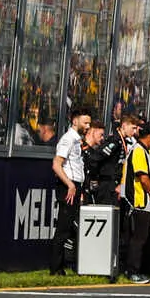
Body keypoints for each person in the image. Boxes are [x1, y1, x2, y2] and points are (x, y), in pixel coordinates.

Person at [119, 118, 150, 284]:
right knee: (138, 239)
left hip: (147, 204)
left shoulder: (145, 152)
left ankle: (144, 270)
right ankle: (132, 272)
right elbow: (143, 178)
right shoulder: (138, 151)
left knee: (148, 238)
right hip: (138, 202)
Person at [49, 110, 90, 275]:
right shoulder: (68, 139)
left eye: (89, 123)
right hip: (68, 187)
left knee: (69, 227)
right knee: (63, 228)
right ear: (75, 121)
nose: (88, 126)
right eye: (85, 123)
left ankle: (65, 265)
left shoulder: (77, 140)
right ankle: (56, 268)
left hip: (75, 186)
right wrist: (70, 185)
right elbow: (56, 164)